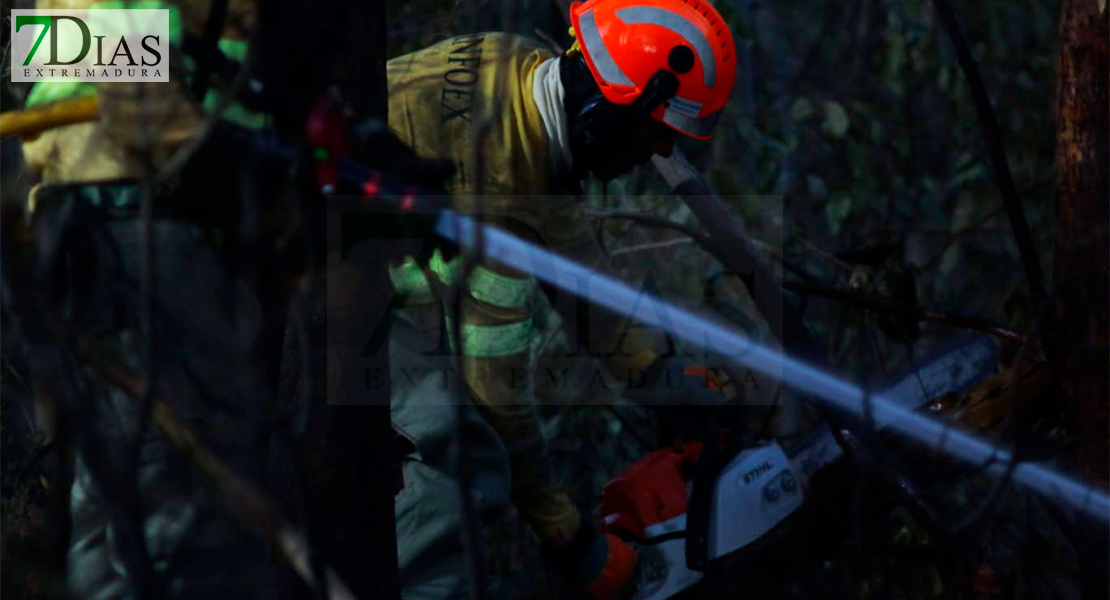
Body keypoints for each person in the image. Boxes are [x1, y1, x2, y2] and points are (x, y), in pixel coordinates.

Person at [382, 1, 738, 598]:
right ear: (606, 112)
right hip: (296, 269)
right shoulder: (499, 184)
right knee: (464, 447)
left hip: (328, 243)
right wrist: (572, 540)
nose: (646, 160)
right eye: (651, 138)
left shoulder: (518, 66)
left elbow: (570, 256)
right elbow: (497, 391)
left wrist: (653, 370)